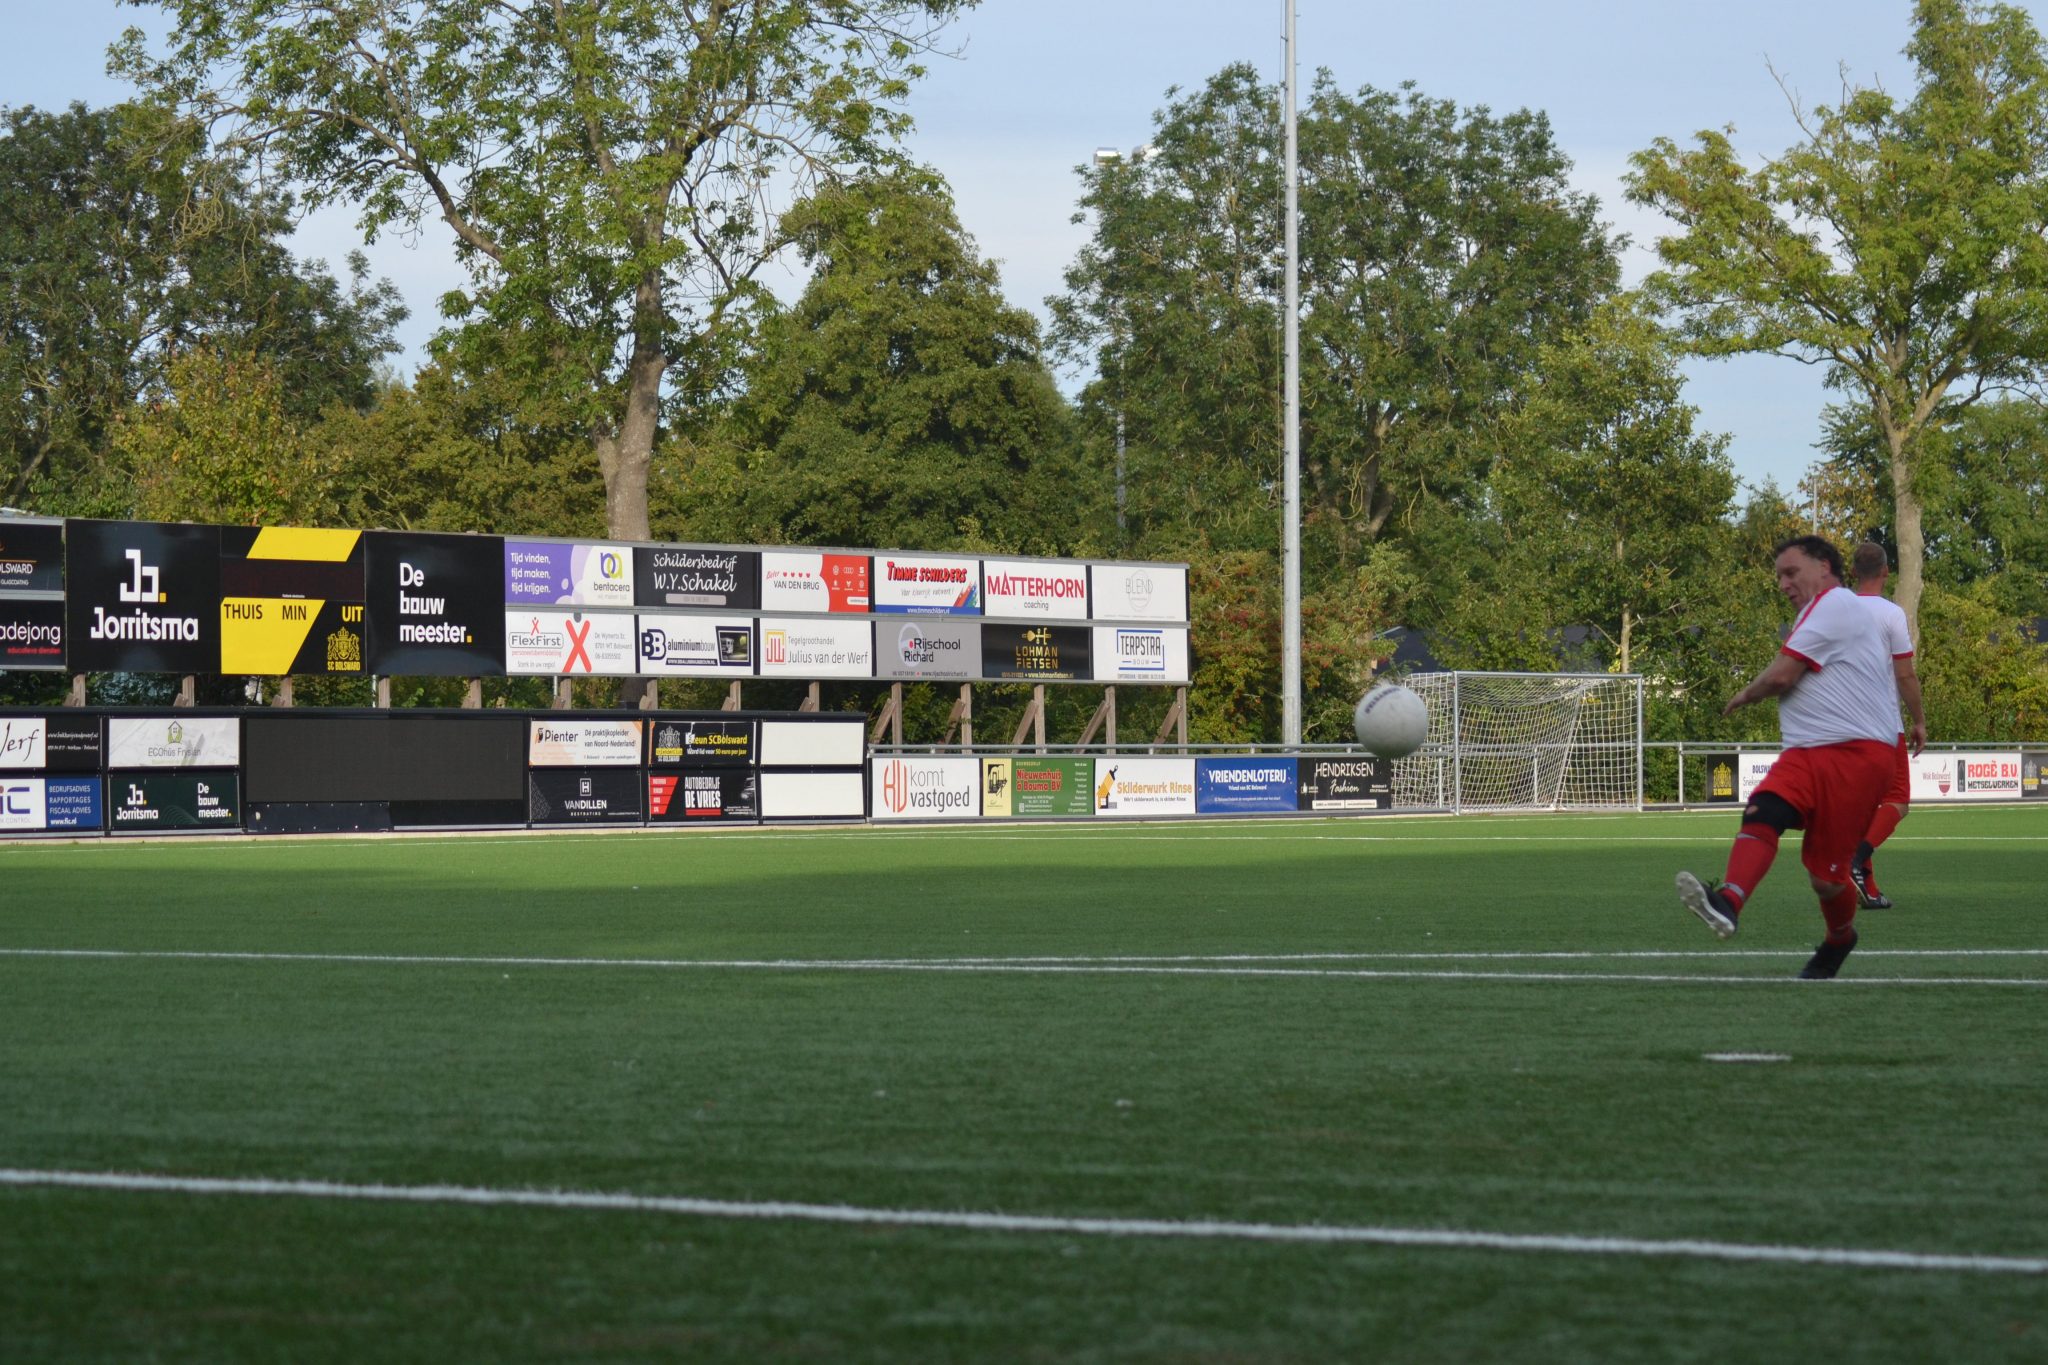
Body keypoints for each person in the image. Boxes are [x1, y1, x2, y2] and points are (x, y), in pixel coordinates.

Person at [1676, 535, 1900, 978]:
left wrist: (1744, 694)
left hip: (1856, 756)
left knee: (1826, 878)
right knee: (1765, 809)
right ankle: (1729, 902)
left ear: (1825, 567)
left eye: (1791, 572)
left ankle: (1840, 939)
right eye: (1779, 575)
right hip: (1812, 751)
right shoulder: (1821, 612)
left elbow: (1781, 676)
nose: (1782, 583)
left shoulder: (1834, 603)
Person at [1846, 541, 1927, 909]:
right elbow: (1905, 674)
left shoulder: (1836, 612)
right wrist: (1920, 720)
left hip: (1841, 725)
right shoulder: (1892, 614)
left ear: (1852, 573)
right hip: (1880, 724)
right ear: (1886, 572)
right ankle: (1854, 860)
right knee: (1897, 801)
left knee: (1865, 809)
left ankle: (1869, 889)